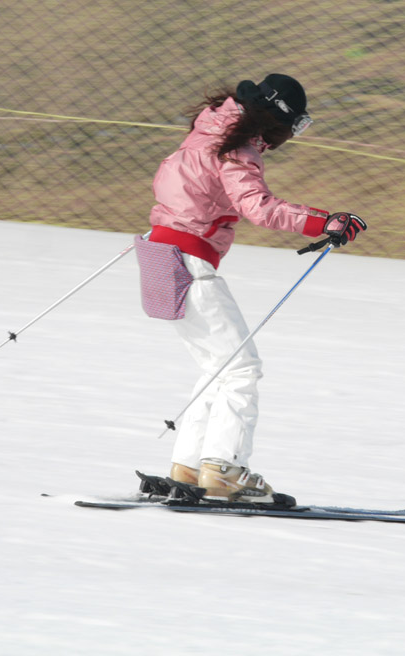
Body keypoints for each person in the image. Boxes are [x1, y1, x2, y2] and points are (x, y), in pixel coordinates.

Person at [136, 73, 366, 504]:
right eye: (295, 126)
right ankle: (224, 471)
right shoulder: (235, 150)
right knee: (242, 369)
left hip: (158, 255)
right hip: (188, 261)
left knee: (218, 369)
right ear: (277, 121)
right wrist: (324, 222)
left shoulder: (207, 129)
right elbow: (257, 207)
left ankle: (189, 466)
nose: (291, 137)